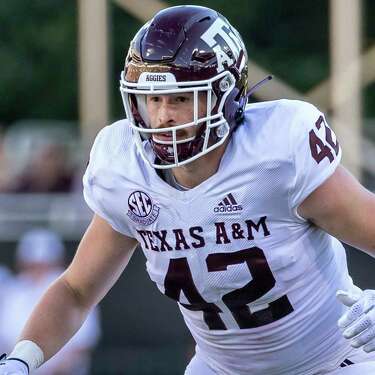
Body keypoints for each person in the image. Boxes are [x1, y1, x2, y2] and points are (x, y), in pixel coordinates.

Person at [0, 5, 375, 374]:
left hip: (333, 361)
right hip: (220, 369)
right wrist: (21, 360)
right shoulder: (126, 171)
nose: (163, 116)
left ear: (226, 95)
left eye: (180, 98)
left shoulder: (278, 155)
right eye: (153, 99)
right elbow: (76, 291)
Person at [0, 228, 100, 375]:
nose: (39, 271)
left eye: (45, 265)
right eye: (33, 265)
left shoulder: (74, 290)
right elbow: (5, 340)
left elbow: (82, 345)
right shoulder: (14, 292)